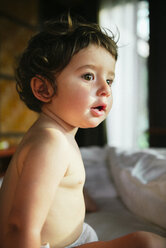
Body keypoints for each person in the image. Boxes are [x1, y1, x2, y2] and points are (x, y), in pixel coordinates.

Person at [0, 14, 165, 248]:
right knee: (146, 242)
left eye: (109, 80)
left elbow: (58, 182)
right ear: (43, 88)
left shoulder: (59, 135)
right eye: (88, 76)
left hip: (76, 237)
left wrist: (81, 198)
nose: (105, 90)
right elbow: (20, 227)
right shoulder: (50, 142)